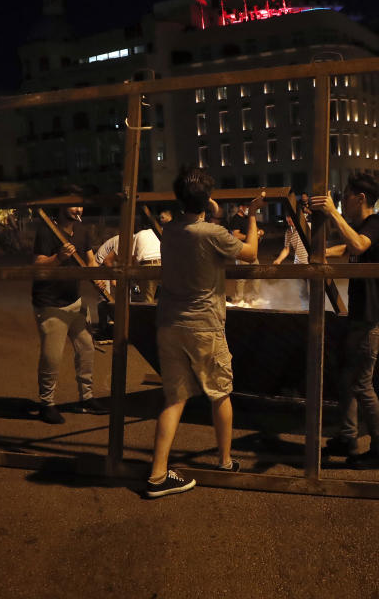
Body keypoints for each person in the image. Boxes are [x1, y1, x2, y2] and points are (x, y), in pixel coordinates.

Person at [145, 169, 264, 498]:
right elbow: (251, 252)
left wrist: (204, 206)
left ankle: (157, 474)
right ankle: (225, 461)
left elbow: (195, 222)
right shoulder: (212, 233)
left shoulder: (169, 230)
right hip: (204, 326)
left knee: (176, 397)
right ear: (207, 200)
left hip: (170, 322)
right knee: (220, 392)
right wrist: (252, 216)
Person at [311, 171, 379, 470]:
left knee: (361, 384)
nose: (343, 202)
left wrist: (332, 212)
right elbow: (347, 248)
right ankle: (347, 437)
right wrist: (317, 252)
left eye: (345, 197)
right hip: (359, 316)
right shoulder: (363, 227)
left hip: (371, 318)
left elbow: (358, 245)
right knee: (347, 378)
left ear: (360, 198)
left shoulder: (376, 224)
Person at [31, 203, 109, 424]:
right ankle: (47, 404)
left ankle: (87, 398)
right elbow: (38, 266)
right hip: (50, 304)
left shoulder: (82, 231)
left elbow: (90, 260)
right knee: (51, 357)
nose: (79, 210)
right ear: (62, 206)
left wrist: (98, 278)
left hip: (75, 302)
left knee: (86, 349)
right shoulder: (47, 231)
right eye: (74, 205)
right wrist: (58, 258)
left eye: (82, 205)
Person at [93, 224, 162, 342]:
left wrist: (133, 281)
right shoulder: (123, 242)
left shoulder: (136, 242)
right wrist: (114, 280)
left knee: (130, 293)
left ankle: (123, 325)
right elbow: (107, 261)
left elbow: (133, 262)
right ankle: (104, 328)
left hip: (113, 265)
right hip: (99, 264)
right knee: (105, 295)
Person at [228, 203, 264, 306]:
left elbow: (256, 230)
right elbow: (235, 235)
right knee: (241, 278)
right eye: (246, 207)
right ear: (241, 207)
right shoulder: (235, 219)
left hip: (251, 251)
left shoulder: (249, 218)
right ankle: (238, 299)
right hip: (241, 251)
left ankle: (255, 298)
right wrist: (249, 237)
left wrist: (260, 232)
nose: (248, 209)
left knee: (257, 274)